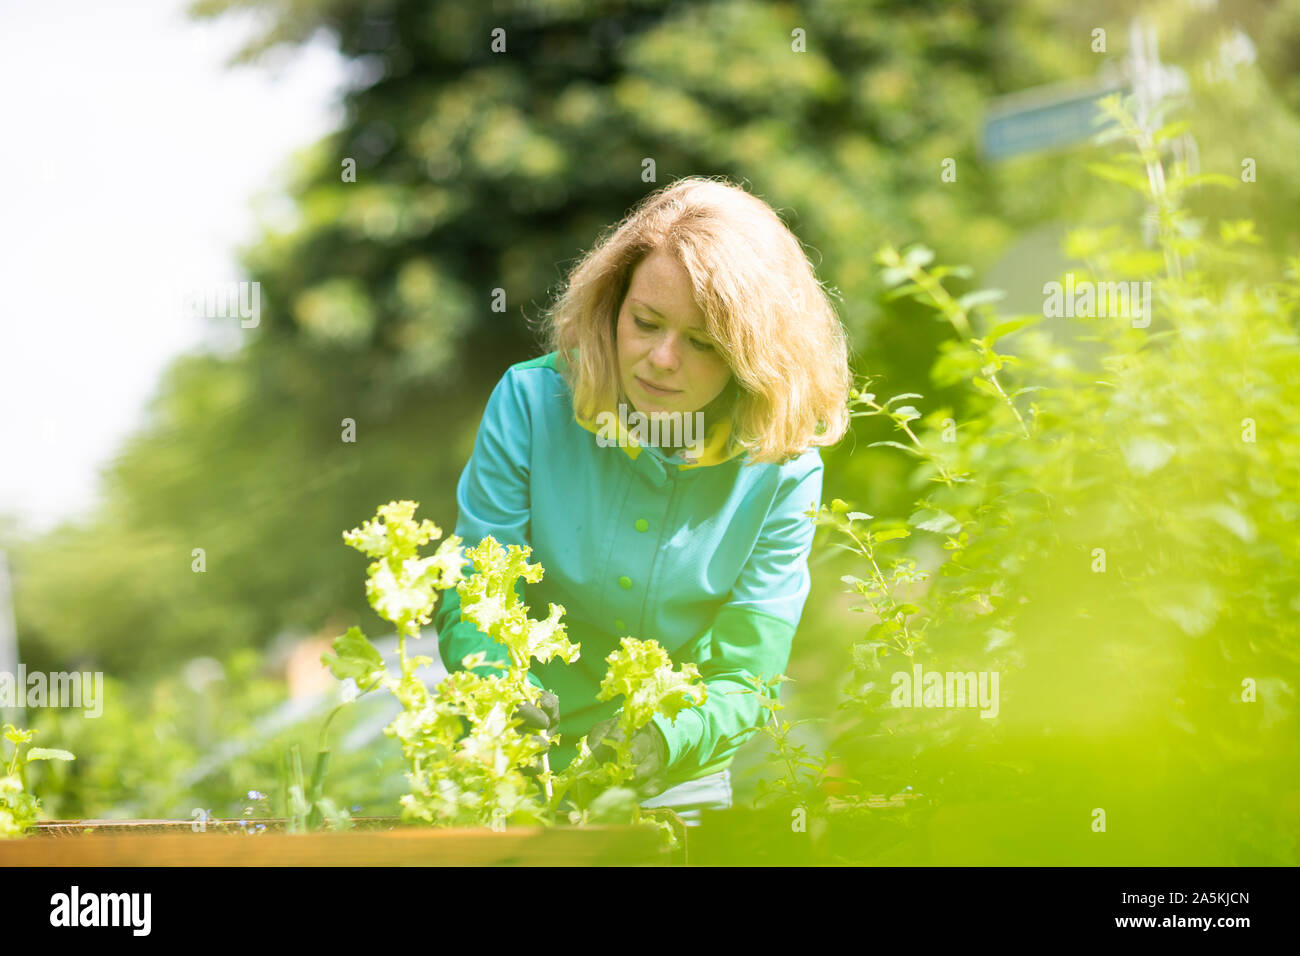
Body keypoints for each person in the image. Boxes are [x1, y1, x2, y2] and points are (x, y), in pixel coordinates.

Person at [434, 176, 851, 825]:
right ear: (613, 303)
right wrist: (500, 686)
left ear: (753, 357)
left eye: (704, 344)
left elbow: (747, 674)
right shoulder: (531, 403)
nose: (661, 359)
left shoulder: (783, 467)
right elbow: (477, 589)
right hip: (510, 759)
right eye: (646, 323)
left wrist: (664, 741)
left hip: (672, 780)